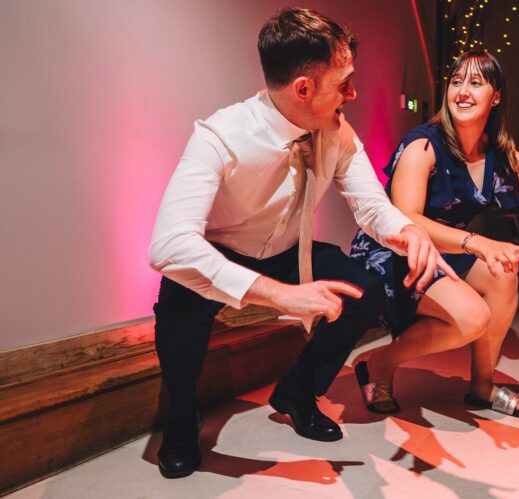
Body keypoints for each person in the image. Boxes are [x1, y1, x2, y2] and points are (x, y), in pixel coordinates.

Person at [148, 8, 456, 479]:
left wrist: (408, 231)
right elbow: (169, 245)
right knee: (178, 308)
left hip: (293, 251)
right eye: (345, 82)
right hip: (223, 252)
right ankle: (181, 419)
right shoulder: (219, 136)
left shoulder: (338, 132)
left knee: (364, 291)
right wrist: (279, 294)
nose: (353, 93)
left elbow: (371, 206)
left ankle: (296, 390)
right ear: (304, 89)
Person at [350, 50, 519, 418]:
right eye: (456, 82)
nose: (462, 92)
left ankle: (483, 387)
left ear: (496, 96)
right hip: (394, 252)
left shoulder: (503, 158)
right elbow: (405, 218)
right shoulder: (423, 145)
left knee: (504, 270)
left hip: (445, 250)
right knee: (472, 318)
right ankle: (378, 366)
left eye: (475, 83)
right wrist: (476, 243)